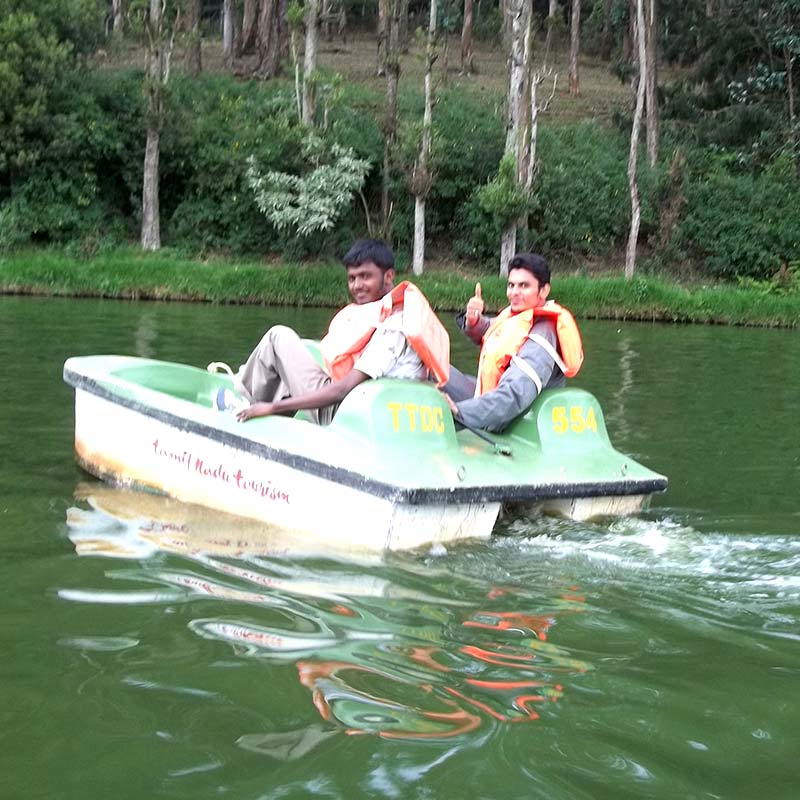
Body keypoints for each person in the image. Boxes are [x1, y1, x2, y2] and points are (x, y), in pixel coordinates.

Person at [221, 239, 446, 424]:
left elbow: (341, 390)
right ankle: (267, 402)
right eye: (352, 278)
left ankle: (247, 405)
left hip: (343, 413)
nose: (357, 286)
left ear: (388, 277)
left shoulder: (394, 329)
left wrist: (272, 406)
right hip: (373, 408)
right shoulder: (405, 314)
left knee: (278, 337)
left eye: (365, 276)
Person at [442, 252, 583, 433]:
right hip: (489, 400)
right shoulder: (517, 315)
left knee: (431, 374)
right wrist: (473, 320)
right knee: (431, 363)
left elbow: (515, 393)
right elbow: (494, 331)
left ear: (544, 290)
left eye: (524, 286)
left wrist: (460, 411)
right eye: (511, 285)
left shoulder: (544, 335)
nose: (514, 292)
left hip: (502, 420)